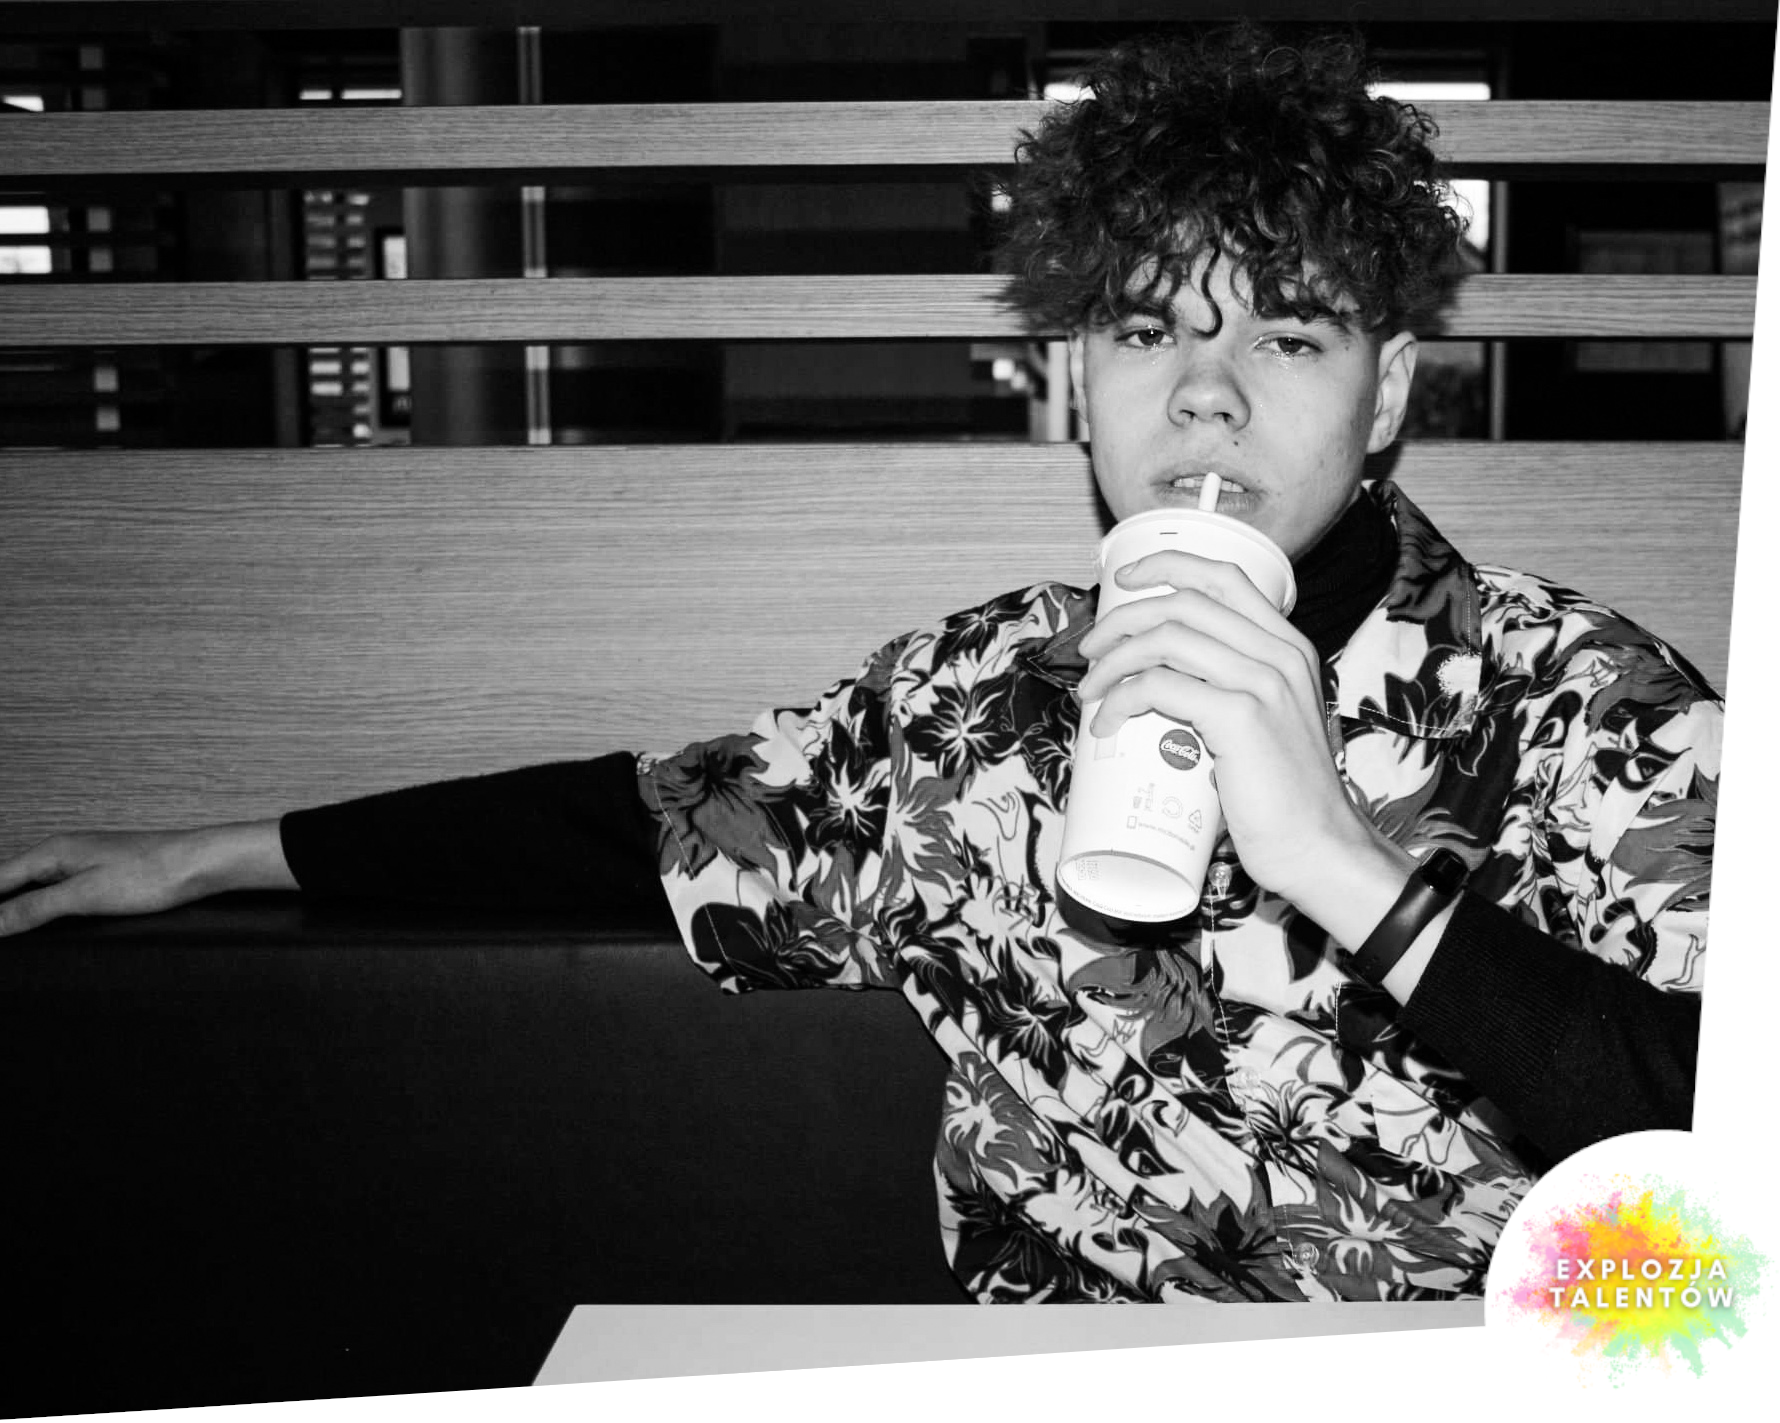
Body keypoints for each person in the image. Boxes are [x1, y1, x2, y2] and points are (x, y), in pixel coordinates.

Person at [0, 27, 1713, 1304]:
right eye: (1145, 330)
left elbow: (1730, 1120)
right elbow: (629, 825)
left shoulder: (1582, 701)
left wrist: (1345, 865)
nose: (1206, 393)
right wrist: (215, 856)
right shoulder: (971, 705)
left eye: (1286, 333)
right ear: (1082, 381)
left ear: (1388, 390)